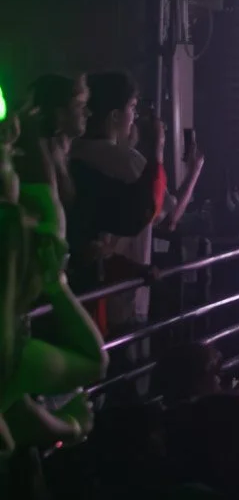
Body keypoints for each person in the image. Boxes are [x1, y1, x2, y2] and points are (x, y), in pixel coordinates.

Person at [66, 71, 167, 330]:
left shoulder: (71, 158)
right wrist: (157, 149)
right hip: (125, 296)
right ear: (114, 115)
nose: (134, 116)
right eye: (132, 107)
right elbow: (158, 210)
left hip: (83, 295)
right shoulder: (129, 162)